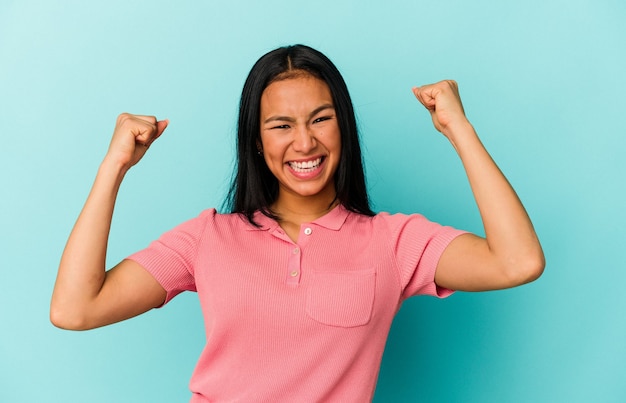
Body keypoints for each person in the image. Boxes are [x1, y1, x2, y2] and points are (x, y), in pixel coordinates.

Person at [51, 44, 544, 402]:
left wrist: (459, 130)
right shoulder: (206, 239)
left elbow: (517, 262)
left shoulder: (393, 243)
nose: (304, 143)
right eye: (281, 126)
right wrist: (112, 168)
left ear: (344, 128)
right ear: (257, 141)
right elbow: (75, 309)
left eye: (320, 119)